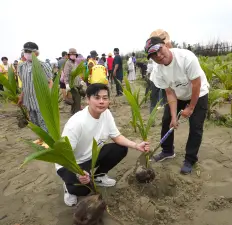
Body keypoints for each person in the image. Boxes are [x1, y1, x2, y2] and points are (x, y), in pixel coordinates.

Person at [56, 83, 150, 206]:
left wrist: (136, 145)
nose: (101, 102)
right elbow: (63, 155)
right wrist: (78, 173)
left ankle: (98, 176)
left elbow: (117, 137)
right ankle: (69, 188)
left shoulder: (106, 114)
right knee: (84, 190)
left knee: (120, 149)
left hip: (91, 156)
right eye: (97, 97)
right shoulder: (76, 123)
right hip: (71, 163)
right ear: (87, 99)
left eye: (105, 98)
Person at [145, 36, 209, 174]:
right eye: (153, 55)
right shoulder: (158, 71)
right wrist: (174, 116)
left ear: (165, 45)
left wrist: (191, 107)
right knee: (167, 120)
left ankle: (190, 159)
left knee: (196, 127)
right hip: (177, 94)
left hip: (198, 93)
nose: (159, 56)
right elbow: (169, 92)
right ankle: (167, 151)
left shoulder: (186, 58)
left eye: (159, 50)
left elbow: (196, 84)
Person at [18, 42, 53, 144]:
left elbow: (50, 82)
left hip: (40, 100)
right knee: (34, 121)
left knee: (43, 121)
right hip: (29, 100)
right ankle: (41, 138)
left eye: (30, 52)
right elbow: (24, 84)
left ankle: (48, 141)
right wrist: (21, 97)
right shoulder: (21, 67)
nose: (27, 53)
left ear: (36, 53)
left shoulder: (43, 65)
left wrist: (48, 96)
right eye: (26, 51)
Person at [64, 48, 81, 115]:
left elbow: (77, 74)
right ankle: (75, 113)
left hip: (77, 84)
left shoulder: (75, 63)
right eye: (72, 54)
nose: (73, 55)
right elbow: (66, 74)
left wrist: (80, 81)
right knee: (77, 100)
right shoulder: (68, 63)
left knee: (76, 100)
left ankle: (73, 113)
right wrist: (67, 84)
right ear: (69, 55)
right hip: (72, 85)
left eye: (74, 54)